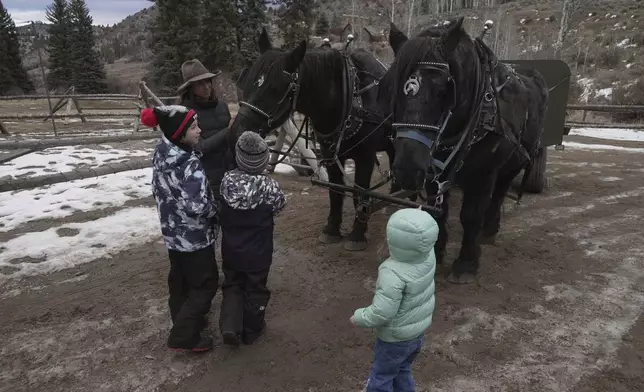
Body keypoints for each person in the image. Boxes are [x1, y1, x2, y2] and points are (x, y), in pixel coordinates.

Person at [141, 104, 219, 353]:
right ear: (179, 132)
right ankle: (184, 335)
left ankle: (183, 319)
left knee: (181, 281)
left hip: (172, 234)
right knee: (206, 283)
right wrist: (215, 211)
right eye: (193, 127)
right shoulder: (189, 163)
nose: (199, 130)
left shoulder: (163, 150)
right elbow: (196, 205)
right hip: (194, 237)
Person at [350, 207, 438, 392]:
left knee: (382, 375)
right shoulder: (428, 255)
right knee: (403, 369)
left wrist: (361, 316)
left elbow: (383, 312)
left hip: (394, 339)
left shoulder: (392, 272)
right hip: (417, 334)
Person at [218, 131, 287, 346]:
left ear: (238, 157)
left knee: (233, 284)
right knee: (255, 288)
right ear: (264, 160)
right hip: (258, 252)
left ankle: (230, 325)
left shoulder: (227, 180)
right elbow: (280, 205)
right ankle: (252, 330)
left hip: (231, 249)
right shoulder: (270, 186)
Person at [177, 59, 232, 203]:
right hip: (204, 177)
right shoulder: (186, 113)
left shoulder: (222, 106)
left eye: (208, 81)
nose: (206, 86)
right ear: (190, 88)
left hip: (230, 172)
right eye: (200, 84)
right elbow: (199, 148)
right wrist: (228, 130)